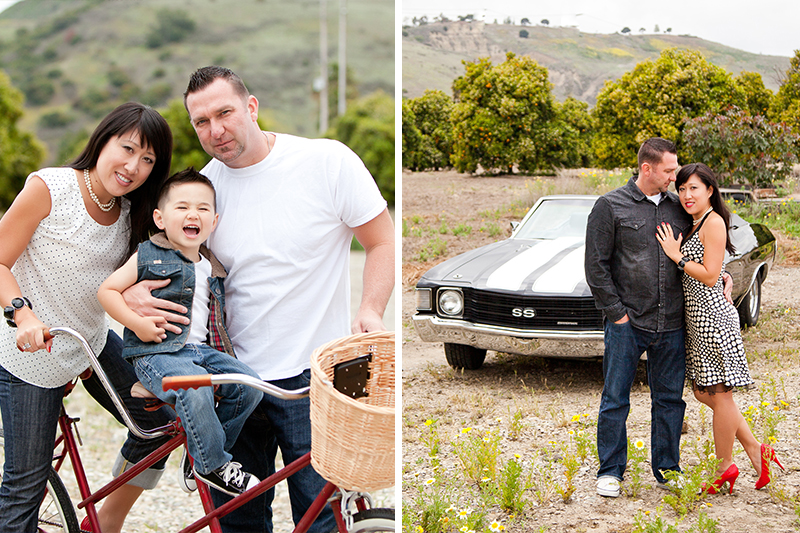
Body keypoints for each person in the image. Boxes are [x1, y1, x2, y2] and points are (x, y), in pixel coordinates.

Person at [123, 66, 395, 531]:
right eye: (201, 122)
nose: (216, 130)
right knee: (239, 523)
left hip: (319, 381)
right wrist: (134, 294)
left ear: (251, 106)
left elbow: (382, 241)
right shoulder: (202, 194)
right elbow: (160, 259)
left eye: (225, 113)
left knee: (325, 519)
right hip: (233, 383)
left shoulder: (327, 161)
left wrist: (370, 307)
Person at [0, 102, 175, 533]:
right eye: (128, 148)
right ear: (103, 140)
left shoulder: (131, 214)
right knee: (25, 486)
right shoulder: (51, 187)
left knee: (162, 424)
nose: (134, 166)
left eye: (148, 160)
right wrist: (23, 316)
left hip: (89, 345)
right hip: (30, 354)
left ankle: (107, 519)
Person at [99, 168, 265, 496]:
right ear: (160, 219)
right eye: (182, 207)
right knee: (195, 390)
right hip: (157, 352)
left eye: (203, 209)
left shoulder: (211, 264)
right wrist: (138, 324)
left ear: (214, 221)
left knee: (249, 387)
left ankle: (200, 454)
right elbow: (107, 291)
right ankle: (213, 465)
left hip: (200, 353)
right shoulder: (148, 255)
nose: (193, 214)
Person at [656, 162, 784, 493]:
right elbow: (720, 271)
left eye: (693, 188)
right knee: (705, 393)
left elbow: (711, 275)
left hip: (712, 319)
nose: (686, 194)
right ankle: (758, 451)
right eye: (682, 188)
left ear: (710, 190)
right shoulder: (698, 223)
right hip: (698, 319)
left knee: (720, 394)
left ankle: (725, 466)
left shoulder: (712, 223)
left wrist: (676, 256)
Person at [584, 137, 691, 498]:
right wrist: (618, 316)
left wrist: (719, 274)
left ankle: (668, 469)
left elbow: (700, 249)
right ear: (647, 168)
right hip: (627, 324)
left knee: (670, 400)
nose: (674, 176)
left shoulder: (679, 208)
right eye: (668, 170)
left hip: (672, 323)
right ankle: (611, 471)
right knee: (615, 398)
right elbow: (596, 268)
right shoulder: (609, 206)